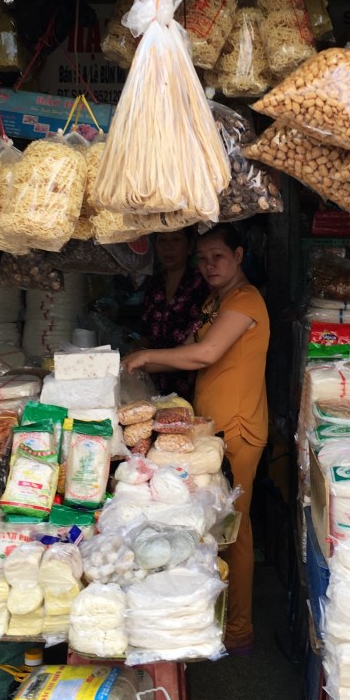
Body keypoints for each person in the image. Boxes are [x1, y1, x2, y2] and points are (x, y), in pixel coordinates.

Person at [124, 224, 269, 653]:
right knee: (213, 525)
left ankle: (239, 628)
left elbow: (206, 354)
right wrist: (136, 364)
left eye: (218, 256)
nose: (209, 266)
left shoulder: (246, 300)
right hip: (210, 431)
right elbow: (187, 348)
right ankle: (210, 617)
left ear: (238, 255)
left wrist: (147, 355)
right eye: (202, 259)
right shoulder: (215, 301)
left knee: (235, 528)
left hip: (239, 428)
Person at [139, 229, 208, 400]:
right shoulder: (153, 283)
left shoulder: (203, 283)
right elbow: (146, 332)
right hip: (154, 381)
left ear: (189, 246)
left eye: (176, 240)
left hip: (191, 378)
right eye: (162, 240)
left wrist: (144, 359)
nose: (168, 247)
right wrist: (137, 351)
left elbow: (203, 340)